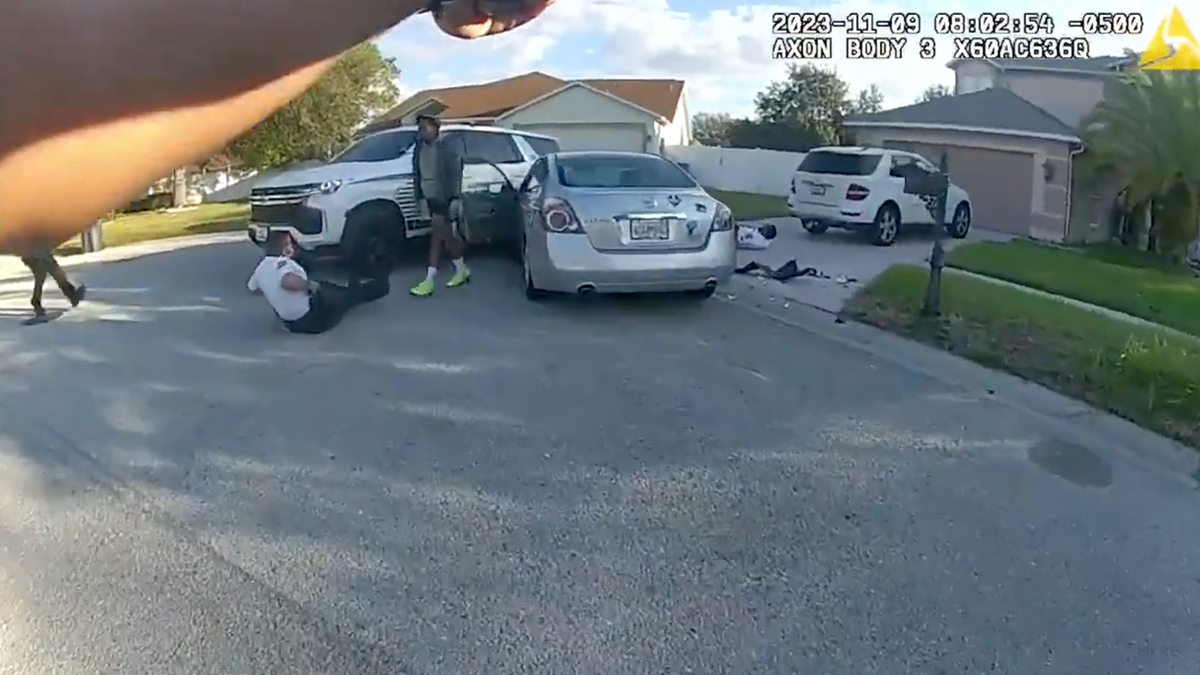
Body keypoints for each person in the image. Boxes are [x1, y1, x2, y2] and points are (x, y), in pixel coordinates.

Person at [0, 0, 556, 255]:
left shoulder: (443, 150)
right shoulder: (398, 152)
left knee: (440, 237)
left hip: (443, 201)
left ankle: (446, 268)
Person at [248, 233, 389, 334]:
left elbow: (253, 288)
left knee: (324, 286)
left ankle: (350, 288)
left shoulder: (260, 269)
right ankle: (379, 287)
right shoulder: (283, 263)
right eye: (291, 244)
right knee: (345, 298)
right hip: (314, 320)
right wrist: (308, 285)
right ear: (285, 248)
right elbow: (287, 281)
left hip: (291, 324)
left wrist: (277, 297)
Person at [409, 114, 468, 297]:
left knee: (436, 237)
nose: (423, 131)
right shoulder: (419, 148)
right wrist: (419, 197)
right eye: (420, 128)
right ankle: (461, 270)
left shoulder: (445, 147)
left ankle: (429, 279)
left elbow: (455, 173)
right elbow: (417, 173)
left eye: (426, 127)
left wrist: (455, 198)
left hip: (444, 196)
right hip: (429, 197)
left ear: (436, 128)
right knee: (447, 238)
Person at [21, 249, 86, 317]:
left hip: (41, 252)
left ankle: (71, 294)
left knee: (54, 271)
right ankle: (71, 295)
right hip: (31, 253)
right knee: (42, 273)